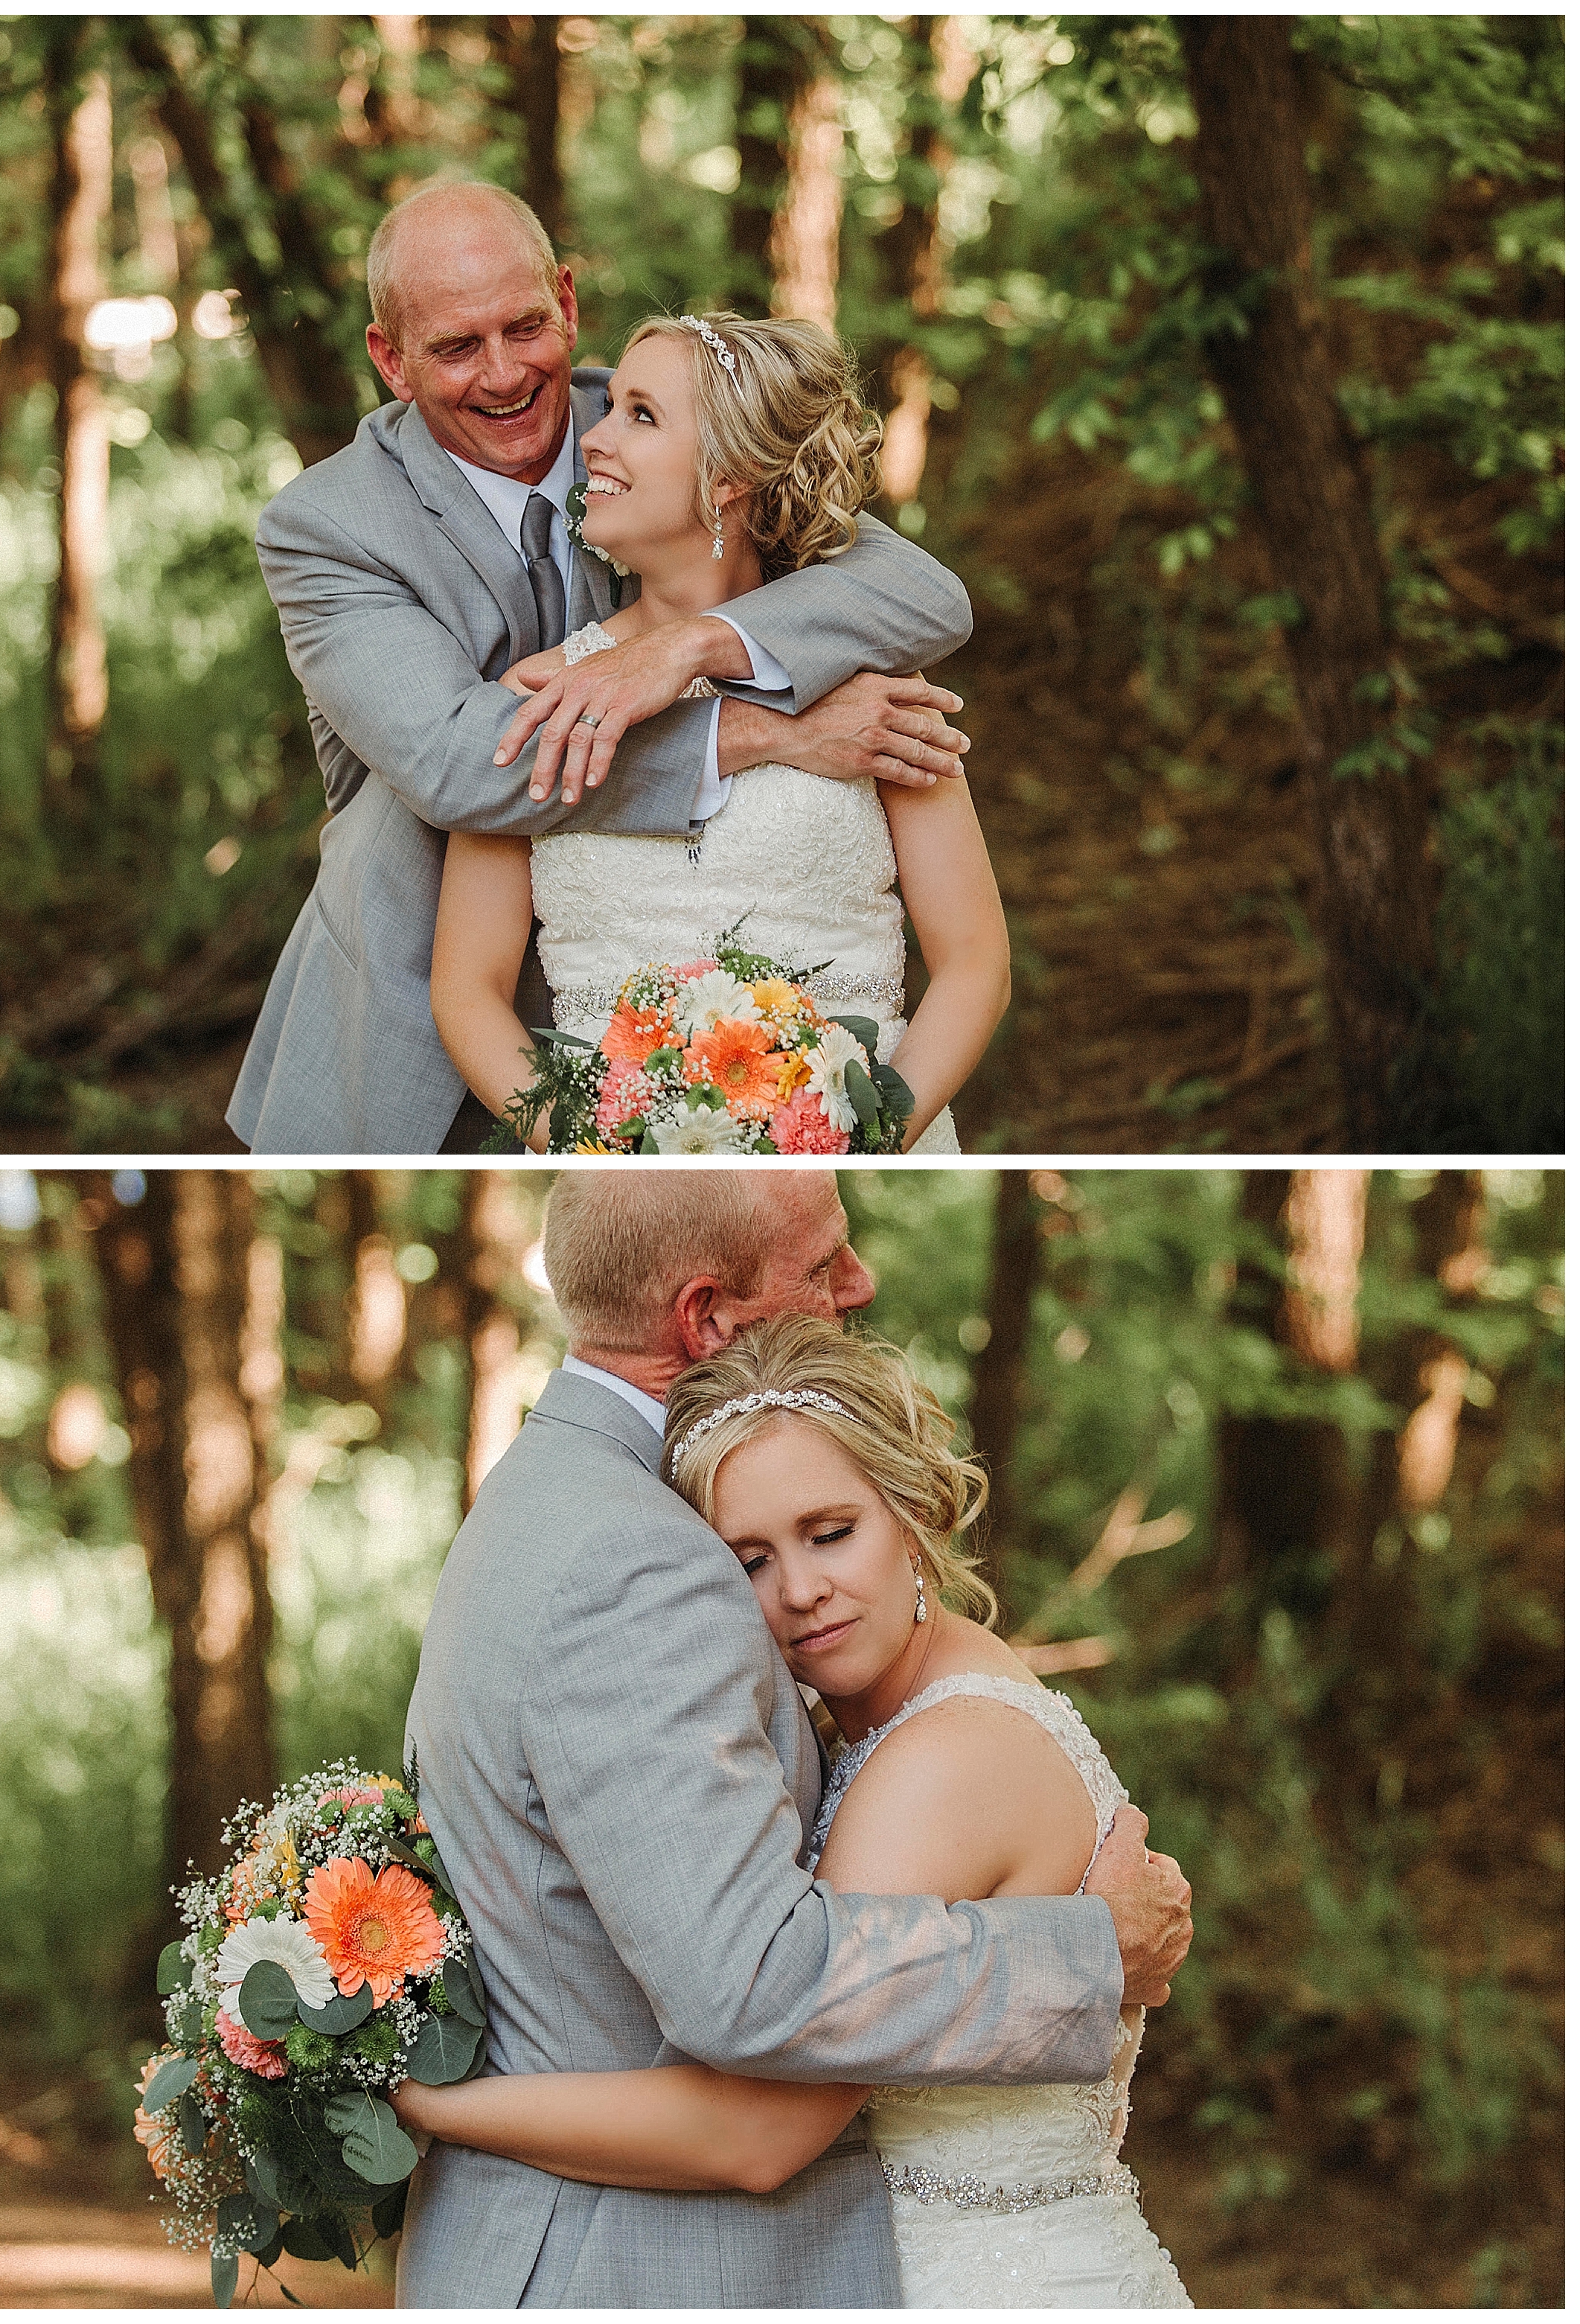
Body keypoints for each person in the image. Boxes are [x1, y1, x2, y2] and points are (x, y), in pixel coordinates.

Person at [393, 1171, 1192, 2308]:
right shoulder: (641, 1558)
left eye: (831, 1532)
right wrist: (1086, 1948)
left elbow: (764, 2102)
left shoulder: (543, 1505)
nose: (799, 1591)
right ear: (707, 1316)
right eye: (751, 1560)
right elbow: (753, 1989)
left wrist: (438, 2102)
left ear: (913, 1513)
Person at [228, 182, 980, 1155]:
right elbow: (467, 765)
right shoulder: (326, 529)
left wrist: (693, 648)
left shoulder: (642, 422)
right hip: (414, 1027)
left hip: (744, 1072)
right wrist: (772, 733)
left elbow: (920, 591)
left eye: (525, 327)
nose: (505, 375)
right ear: (390, 360)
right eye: (458, 347)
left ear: (569, 304)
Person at [430, 311, 1010, 1155]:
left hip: (865, 1139)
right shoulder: (541, 692)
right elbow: (466, 988)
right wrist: (591, 1139)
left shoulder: (872, 688)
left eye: (641, 414)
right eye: (610, 408)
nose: (593, 440)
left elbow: (974, 962)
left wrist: (874, 1135)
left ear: (728, 477)